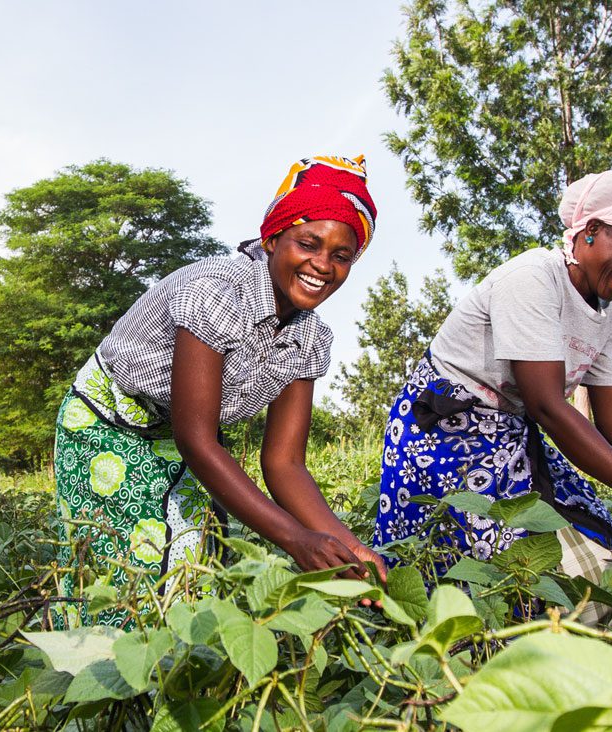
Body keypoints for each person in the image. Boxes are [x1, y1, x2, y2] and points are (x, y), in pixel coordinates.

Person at [372, 170, 612, 615]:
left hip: (511, 432)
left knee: (602, 551)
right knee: (495, 571)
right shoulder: (531, 279)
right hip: (444, 432)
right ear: (591, 232)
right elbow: (547, 405)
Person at [54, 155, 387, 628]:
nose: (321, 265)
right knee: (129, 571)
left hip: (181, 430)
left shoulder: (310, 338)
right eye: (307, 243)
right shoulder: (216, 292)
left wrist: (350, 549)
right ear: (272, 240)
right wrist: (295, 540)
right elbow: (199, 442)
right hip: (107, 419)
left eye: (341, 255)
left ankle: (175, 689)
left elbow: (284, 463)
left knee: (197, 566)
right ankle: (101, 683)